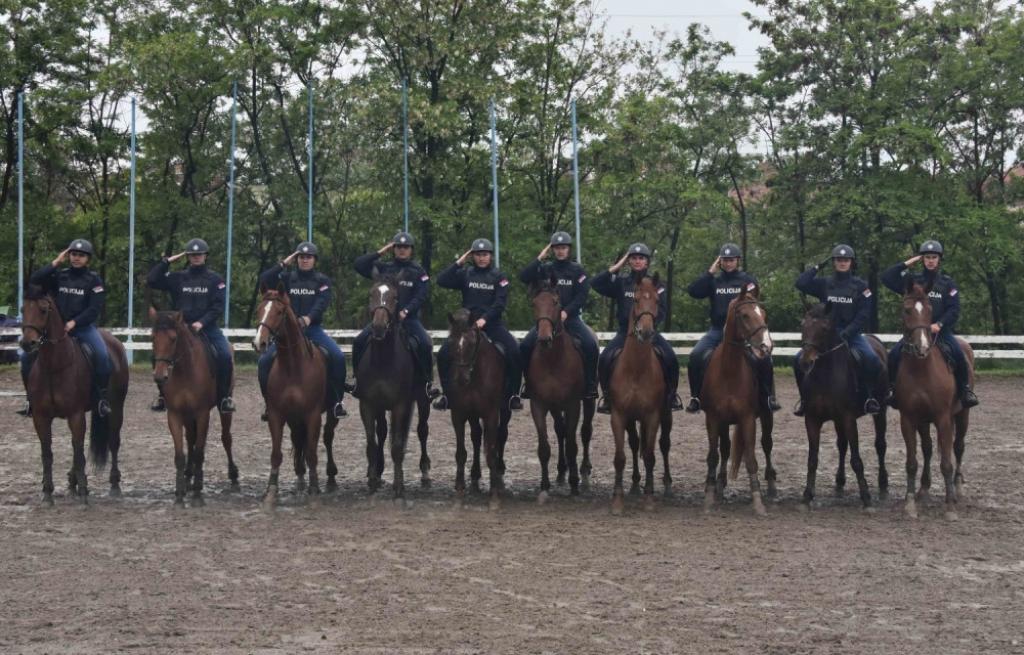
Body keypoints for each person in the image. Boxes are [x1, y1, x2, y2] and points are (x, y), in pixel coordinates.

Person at [18, 239, 111, 418]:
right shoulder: (59, 277)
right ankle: (30, 399)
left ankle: (100, 399)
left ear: (88, 259)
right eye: (74, 254)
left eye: (81, 255)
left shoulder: (94, 280)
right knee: (26, 359)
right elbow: (35, 280)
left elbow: (94, 308)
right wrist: (55, 262)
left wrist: (74, 322)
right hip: (55, 329)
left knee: (103, 357)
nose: (76, 258)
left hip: (83, 328)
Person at [880, 239, 978, 408]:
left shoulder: (947, 283)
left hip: (940, 331)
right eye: (927, 257)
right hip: (916, 333)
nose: (930, 260)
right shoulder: (911, 281)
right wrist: (908, 262)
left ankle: (965, 391)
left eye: (934, 257)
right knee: (894, 355)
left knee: (959, 355)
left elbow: (954, 308)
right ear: (922, 259)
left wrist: (939, 324)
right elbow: (887, 277)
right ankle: (893, 391)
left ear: (939, 260)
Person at [685, 243, 781, 414]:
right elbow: (693, 291)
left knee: (765, 358)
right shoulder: (714, 281)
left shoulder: (747, 281)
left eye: (731, 260)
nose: (728, 263)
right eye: (725, 260)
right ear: (720, 261)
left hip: (743, 332)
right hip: (717, 331)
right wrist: (710, 272)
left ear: (737, 261)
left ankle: (768, 396)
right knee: (695, 356)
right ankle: (696, 398)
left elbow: (753, 305)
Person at [257, 241, 347, 420]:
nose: (305, 260)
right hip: (288, 333)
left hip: (313, 329)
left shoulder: (322, 281)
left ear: (314, 260)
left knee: (338, 357)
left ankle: (337, 401)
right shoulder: (286, 278)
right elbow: (263, 279)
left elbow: (322, 302)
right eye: (301, 257)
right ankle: (269, 403)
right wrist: (283, 264)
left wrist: (309, 318)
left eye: (308, 257)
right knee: (263, 362)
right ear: (296, 259)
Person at [591, 242, 683, 414]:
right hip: (625, 333)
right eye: (633, 258)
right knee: (604, 359)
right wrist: (616, 266)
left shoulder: (657, 284)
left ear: (647, 261)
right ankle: (607, 397)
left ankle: (672, 395)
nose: (638, 261)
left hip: (650, 332)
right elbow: (595, 283)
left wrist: (649, 326)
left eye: (641, 258)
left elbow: (662, 309)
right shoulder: (621, 282)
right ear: (629, 261)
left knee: (671, 357)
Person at [146, 238, 235, 414]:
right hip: (181, 328)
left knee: (225, 356)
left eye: (199, 254)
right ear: (187, 256)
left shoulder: (215, 279)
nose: (196, 257)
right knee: (158, 355)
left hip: (207, 327)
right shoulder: (177, 277)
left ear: (205, 256)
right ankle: (162, 395)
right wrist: (166, 261)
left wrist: (202, 322)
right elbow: (152, 280)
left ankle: (224, 398)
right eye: (192, 254)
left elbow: (218, 307)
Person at [433, 238, 523, 411]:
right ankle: (446, 395)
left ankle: (514, 395)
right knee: (444, 354)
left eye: (485, 254)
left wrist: (485, 319)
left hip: (492, 325)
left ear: (490, 256)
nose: (481, 258)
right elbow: (441, 280)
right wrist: (458, 263)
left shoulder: (499, 277)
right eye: (478, 255)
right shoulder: (465, 274)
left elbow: (500, 303)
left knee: (514, 352)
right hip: (467, 327)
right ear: (472, 256)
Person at [793, 244, 881, 416]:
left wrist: (847, 332)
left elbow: (864, 314)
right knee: (798, 359)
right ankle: (804, 400)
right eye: (839, 260)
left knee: (872, 360)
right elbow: (801, 283)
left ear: (851, 262)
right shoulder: (824, 283)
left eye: (845, 260)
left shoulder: (861, 286)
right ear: (834, 262)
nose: (842, 263)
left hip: (851, 333)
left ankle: (869, 397)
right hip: (825, 334)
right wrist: (818, 266)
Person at [351, 232, 436, 399]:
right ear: (393, 248)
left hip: (408, 319)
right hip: (383, 319)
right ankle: (357, 381)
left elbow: (422, 295)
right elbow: (358, 265)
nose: (402, 250)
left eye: (406, 247)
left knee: (426, 345)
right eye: (398, 247)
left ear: (411, 250)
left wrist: (407, 311)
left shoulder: (419, 271)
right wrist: (380, 252)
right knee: (359, 341)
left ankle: (426, 384)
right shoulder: (383, 268)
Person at [518, 231, 598, 400]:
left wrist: (566, 312)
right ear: (552, 250)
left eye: (563, 247)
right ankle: (528, 384)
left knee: (591, 345)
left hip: (571, 319)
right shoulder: (545, 269)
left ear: (568, 249)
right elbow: (524, 277)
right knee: (524, 346)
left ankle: (590, 384)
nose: (560, 251)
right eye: (557, 248)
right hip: (547, 320)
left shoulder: (578, 270)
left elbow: (582, 295)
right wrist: (539, 259)